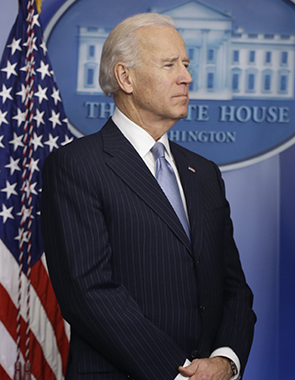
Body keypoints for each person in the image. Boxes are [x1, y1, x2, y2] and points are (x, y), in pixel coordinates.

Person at [42, 13, 255, 380]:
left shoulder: (203, 172)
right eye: (170, 64)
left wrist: (225, 360)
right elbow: (88, 292)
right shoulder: (76, 165)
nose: (187, 77)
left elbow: (232, 285)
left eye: (186, 64)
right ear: (125, 77)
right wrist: (179, 374)